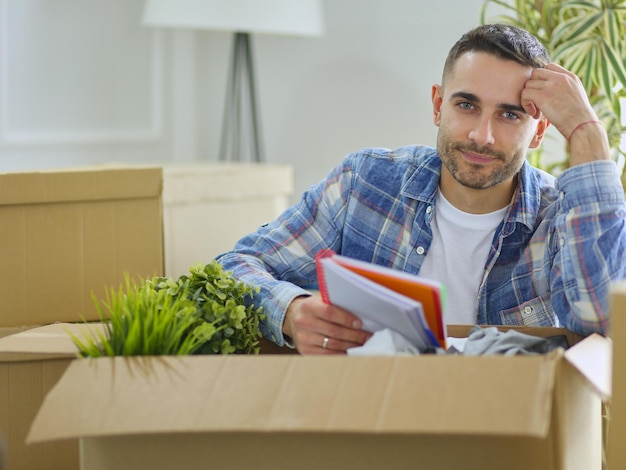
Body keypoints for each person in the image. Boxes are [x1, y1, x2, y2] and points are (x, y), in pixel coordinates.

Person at [216, 24, 626, 355]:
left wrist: (587, 136)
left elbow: (602, 330)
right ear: (437, 106)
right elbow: (232, 268)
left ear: (538, 133)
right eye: (466, 105)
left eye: (508, 114)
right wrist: (289, 311)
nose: (482, 136)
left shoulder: (560, 217)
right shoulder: (366, 183)